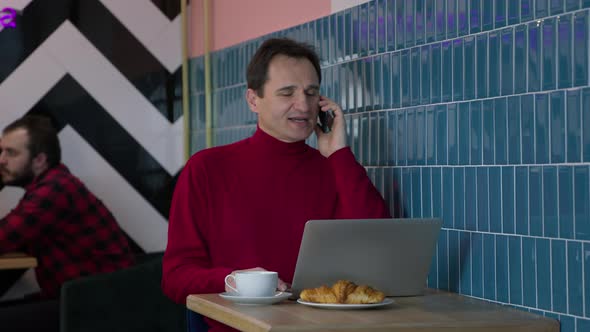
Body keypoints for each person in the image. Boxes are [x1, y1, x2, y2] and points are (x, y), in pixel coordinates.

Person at [162, 38, 390, 331]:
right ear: (253, 100)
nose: (304, 105)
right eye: (287, 93)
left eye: (312, 93)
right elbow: (176, 276)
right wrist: (234, 281)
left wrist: (339, 154)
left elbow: (377, 249)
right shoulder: (207, 169)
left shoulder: (334, 168)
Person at [0, 115, 135, 331]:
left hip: (98, 306)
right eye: (2, 151)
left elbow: (5, 237)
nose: (1, 160)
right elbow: (17, 233)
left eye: (11, 153)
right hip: (83, 297)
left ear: (39, 160)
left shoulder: (53, 191)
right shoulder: (51, 185)